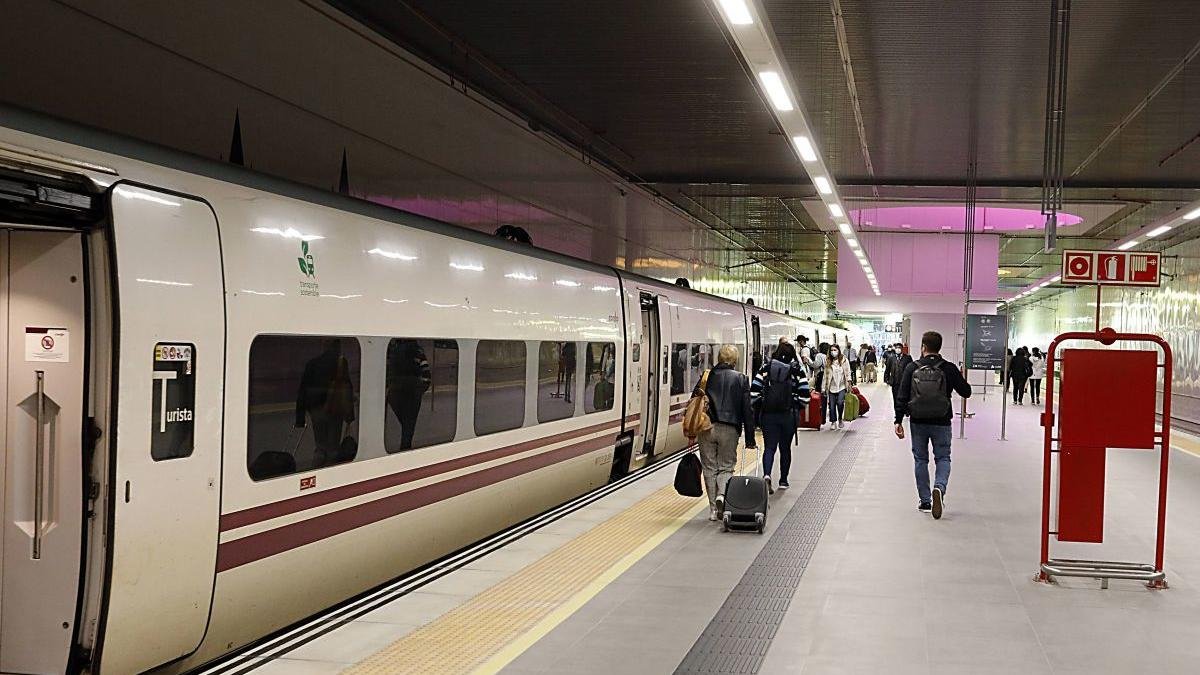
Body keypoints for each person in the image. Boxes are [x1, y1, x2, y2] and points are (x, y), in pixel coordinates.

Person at [894, 331, 972, 519]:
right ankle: (939, 487)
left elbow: (902, 395)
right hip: (942, 421)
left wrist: (898, 420)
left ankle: (926, 501)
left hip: (918, 421)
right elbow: (966, 392)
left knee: (921, 460)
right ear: (939, 347)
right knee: (943, 458)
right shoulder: (948, 368)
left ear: (923, 347)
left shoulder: (912, 367)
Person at [693, 345, 757, 522]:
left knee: (709, 467)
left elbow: (694, 402)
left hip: (706, 427)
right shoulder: (741, 379)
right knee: (726, 467)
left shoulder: (706, 376)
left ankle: (713, 509)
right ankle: (722, 495)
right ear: (735, 360)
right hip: (729, 429)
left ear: (719, 358)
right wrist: (750, 438)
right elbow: (747, 410)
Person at [751, 342, 810, 493]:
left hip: (768, 416)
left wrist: (761, 406)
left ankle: (766, 475)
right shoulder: (797, 371)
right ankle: (783, 481)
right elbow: (805, 397)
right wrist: (796, 406)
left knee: (769, 447)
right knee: (785, 449)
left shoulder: (765, 368)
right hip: (788, 416)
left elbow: (754, 393)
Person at [296, 339, 357, 467]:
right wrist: (350, 415)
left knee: (320, 445)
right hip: (335, 410)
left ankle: (316, 470)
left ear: (324, 346)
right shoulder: (340, 363)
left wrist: (300, 418)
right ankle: (329, 474)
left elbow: (303, 390)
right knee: (333, 447)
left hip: (316, 411)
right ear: (337, 347)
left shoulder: (312, 363)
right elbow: (346, 388)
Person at [386, 339, 430, 451]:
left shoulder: (393, 350)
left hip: (395, 393)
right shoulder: (417, 351)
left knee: (406, 425)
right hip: (413, 395)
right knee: (408, 427)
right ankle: (405, 450)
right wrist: (419, 390)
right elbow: (426, 375)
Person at [823, 344, 854, 429]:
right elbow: (825, 375)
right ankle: (833, 422)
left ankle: (840, 418)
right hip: (831, 387)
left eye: (835, 350)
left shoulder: (844, 360)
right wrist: (823, 388)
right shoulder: (828, 361)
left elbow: (848, 372)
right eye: (832, 350)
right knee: (832, 406)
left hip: (842, 386)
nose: (833, 352)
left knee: (840, 403)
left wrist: (849, 382)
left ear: (838, 350)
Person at [890, 344, 913, 416]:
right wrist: (887, 379)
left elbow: (911, 369)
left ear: (902, 349)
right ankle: (897, 412)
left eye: (899, 348)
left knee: (906, 397)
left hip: (905, 382)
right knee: (896, 397)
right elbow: (888, 368)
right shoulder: (892, 358)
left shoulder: (908, 358)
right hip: (895, 382)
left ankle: (906, 411)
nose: (898, 349)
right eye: (896, 348)